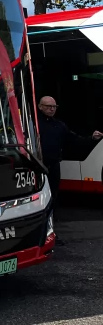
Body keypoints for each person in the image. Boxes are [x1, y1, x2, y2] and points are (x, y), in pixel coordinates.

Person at [37, 96, 103, 245]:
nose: (52, 109)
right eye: (48, 106)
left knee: (52, 200)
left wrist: (91, 139)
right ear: (40, 106)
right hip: (38, 168)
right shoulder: (33, 125)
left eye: (54, 106)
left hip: (53, 167)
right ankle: (37, 235)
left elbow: (74, 140)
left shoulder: (59, 126)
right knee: (38, 203)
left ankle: (50, 234)